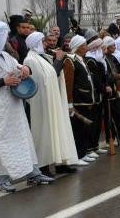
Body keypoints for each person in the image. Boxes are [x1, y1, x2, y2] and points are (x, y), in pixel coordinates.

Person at [0, 20, 54, 192]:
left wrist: (25, 69)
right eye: (3, 36)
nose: (6, 39)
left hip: (14, 107)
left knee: (24, 140)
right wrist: (3, 81)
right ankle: (1, 180)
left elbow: (20, 68)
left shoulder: (5, 56)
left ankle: (34, 173)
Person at [24, 32, 79, 177]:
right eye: (43, 41)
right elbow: (46, 80)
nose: (46, 44)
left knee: (58, 131)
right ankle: (44, 166)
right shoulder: (31, 60)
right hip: (42, 105)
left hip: (53, 101)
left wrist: (58, 60)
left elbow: (52, 75)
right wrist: (59, 60)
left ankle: (60, 163)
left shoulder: (41, 57)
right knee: (44, 134)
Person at [63, 35, 97, 165]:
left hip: (86, 99)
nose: (86, 48)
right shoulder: (71, 60)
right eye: (84, 46)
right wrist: (70, 103)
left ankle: (83, 153)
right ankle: (77, 155)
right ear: (78, 47)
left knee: (84, 129)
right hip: (78, 100)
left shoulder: (80, 59)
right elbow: (69, 83)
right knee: (77, 130)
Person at [84, 30, 108, 158]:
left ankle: (95, 145)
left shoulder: (99, 60)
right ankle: (89, 147)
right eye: (101, 48)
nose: (103, 50)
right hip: (94, 96)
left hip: (100, 95)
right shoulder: (90, 60)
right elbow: (96, 80)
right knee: (92, 122)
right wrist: (104, 88)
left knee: (98, 121)